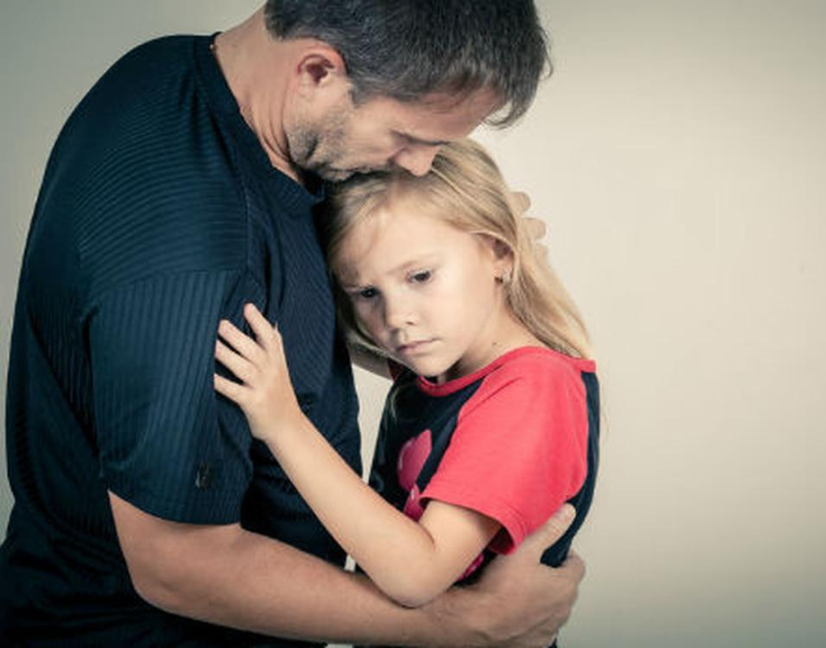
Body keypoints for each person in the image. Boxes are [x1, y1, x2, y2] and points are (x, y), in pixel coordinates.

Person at [0, 2, 583, 646]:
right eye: (408, 138)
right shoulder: (198, 260)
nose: (417, 165)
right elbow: (179, 564)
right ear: (316, 72)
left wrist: (475, 263)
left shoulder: (167, 72)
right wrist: (470, 625)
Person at [212, 139, 600, 618]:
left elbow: (418, 573)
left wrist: (283, 424)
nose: (396, 317)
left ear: (499, 252)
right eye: (368, 292)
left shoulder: (531, 389)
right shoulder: (452, 363)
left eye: (420, 276)